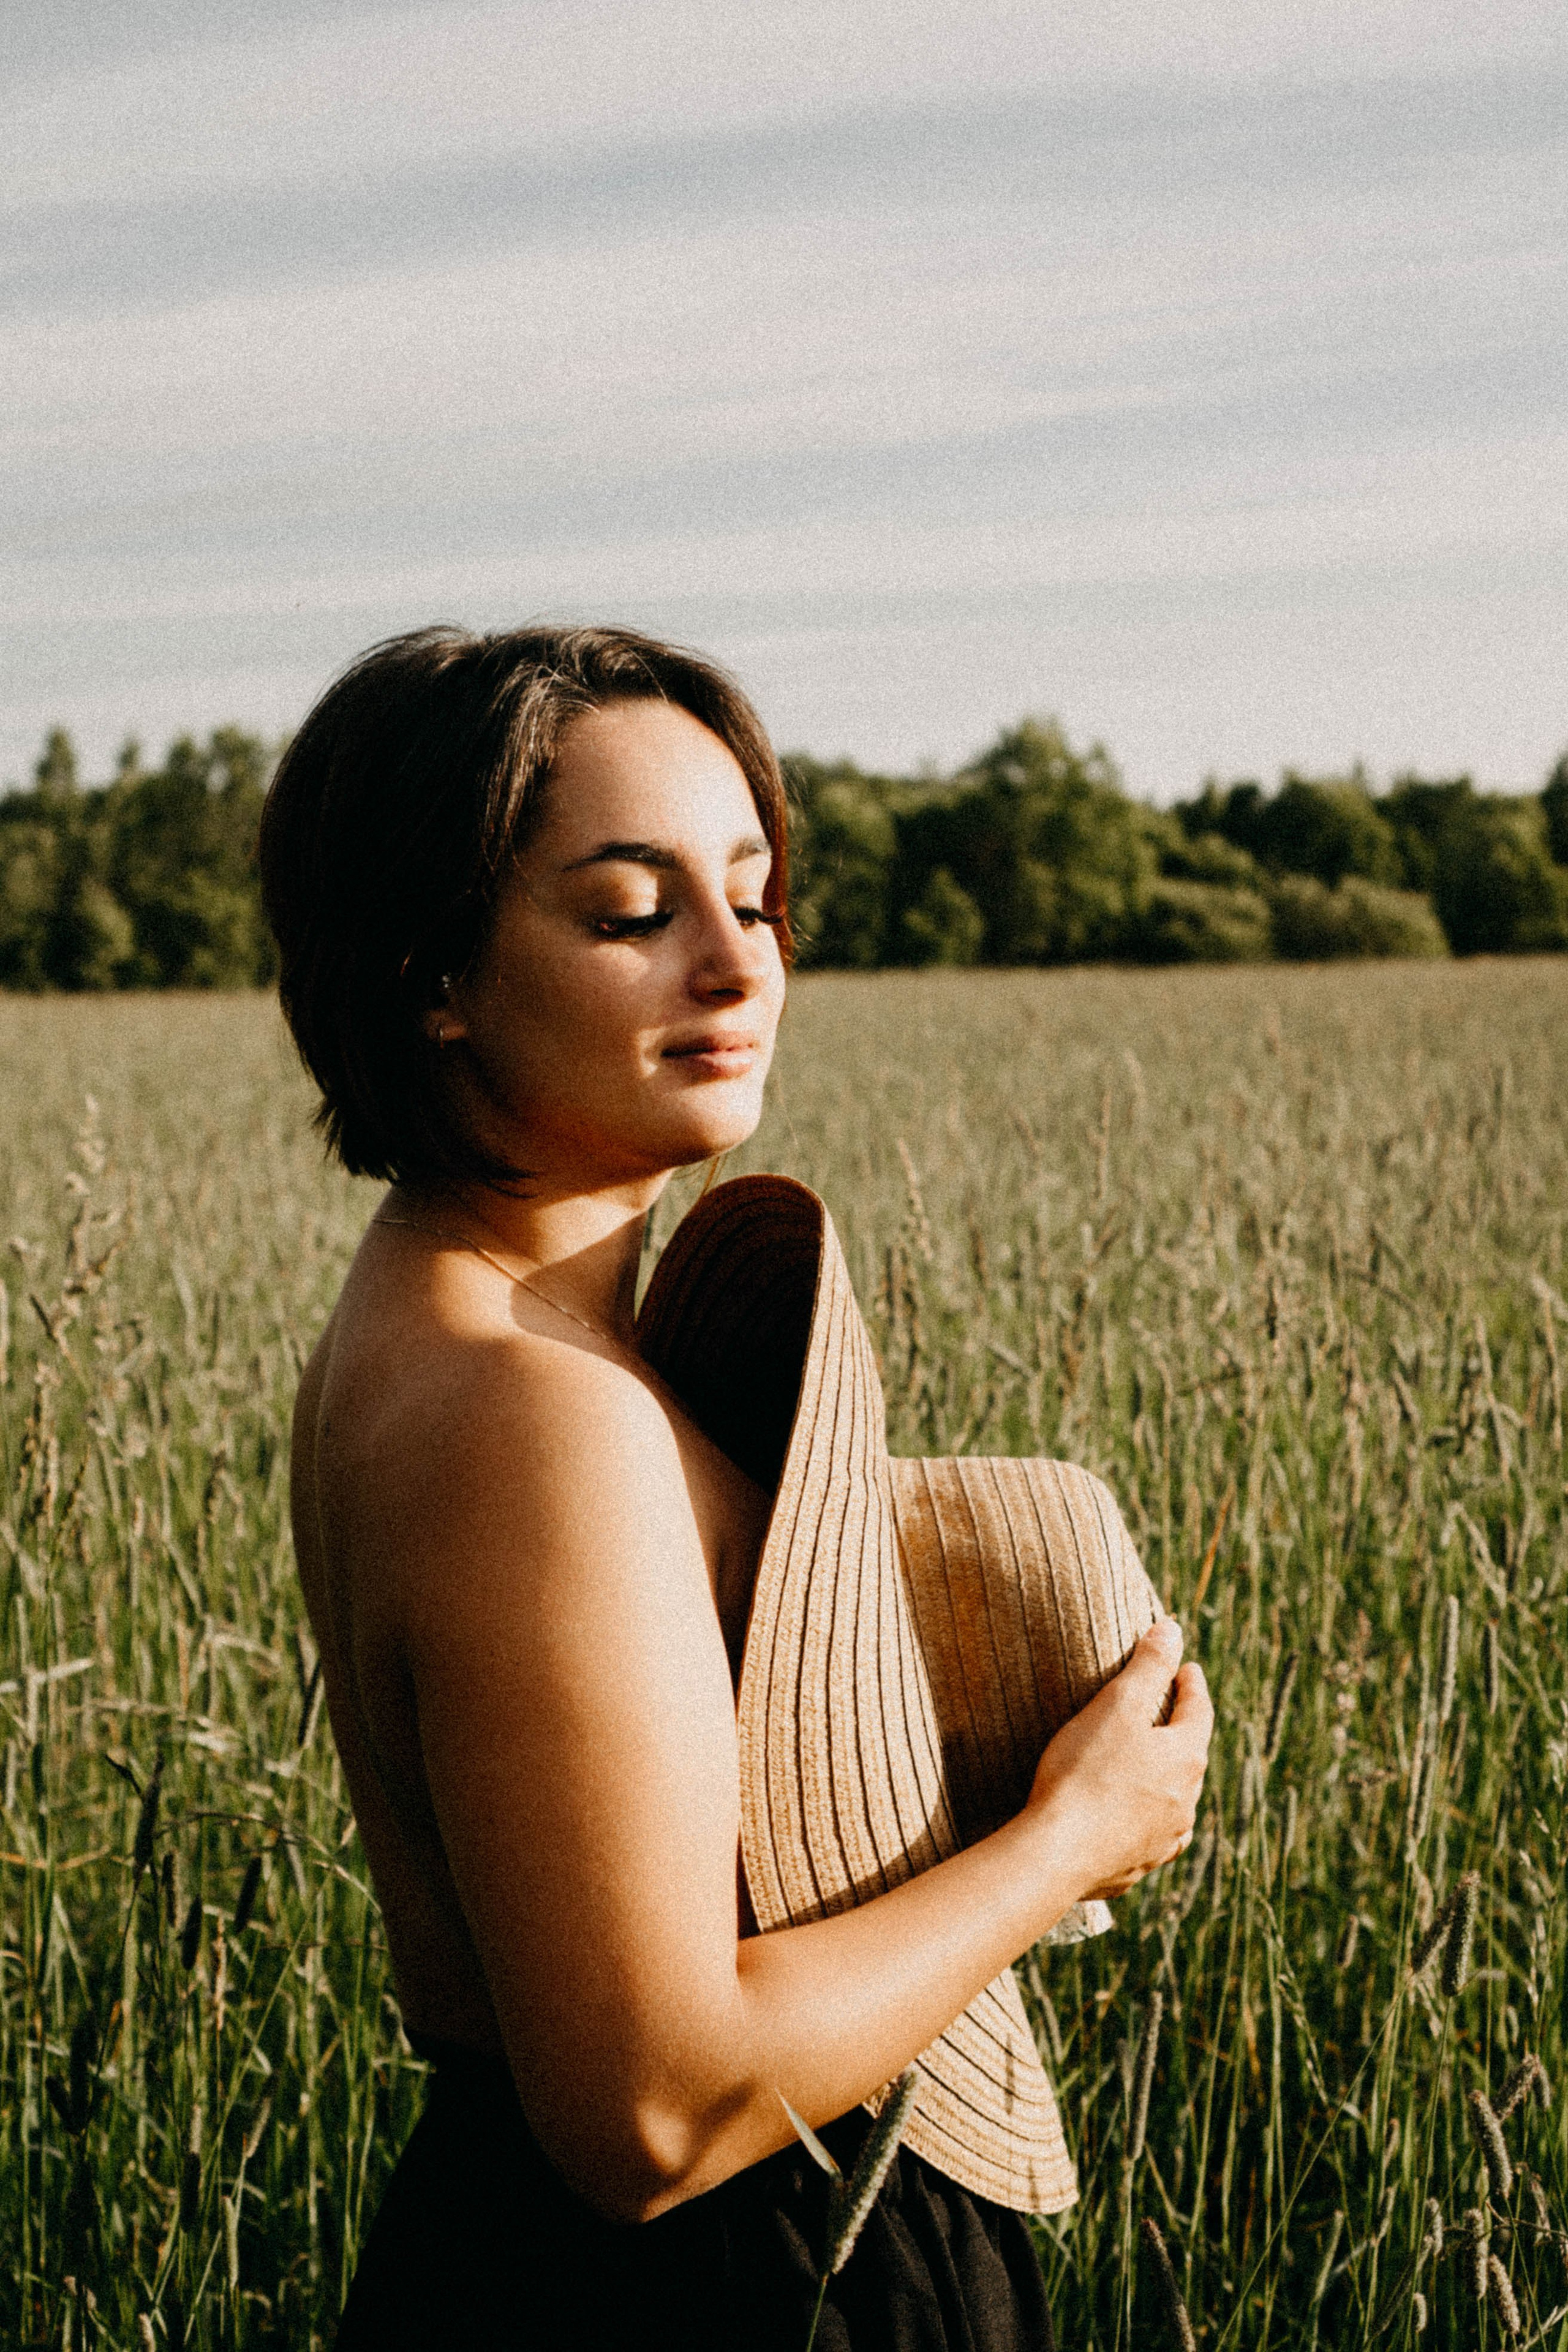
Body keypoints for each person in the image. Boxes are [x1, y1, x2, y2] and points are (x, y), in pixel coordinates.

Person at [258, 624, 1213, 2350]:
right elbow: (656, 2116)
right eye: (632, 911)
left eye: (755, 895)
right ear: (433, 974)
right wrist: (1075, 1841)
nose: (737, 963)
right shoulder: (533, 1413)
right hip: (704, 2285)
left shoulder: (434, 1334)